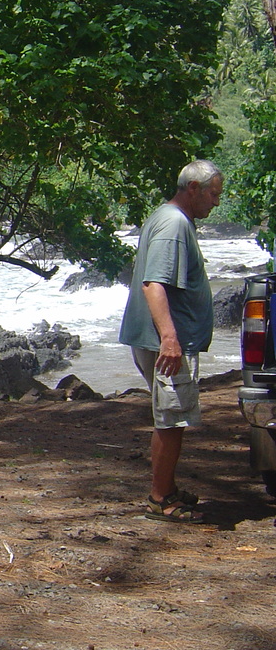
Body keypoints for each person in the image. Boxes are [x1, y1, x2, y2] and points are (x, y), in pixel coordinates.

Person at [118, 159, 224, 524]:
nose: (216, 202)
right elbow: (153, 283)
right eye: (213, 194)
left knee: (171, 414)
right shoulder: (174, 224)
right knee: (172, 419)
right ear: (192, 188)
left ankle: (168, 488)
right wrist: (169, 338)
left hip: (160, 338)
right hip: (162, 342)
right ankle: (160, 499)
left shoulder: (169, 218)